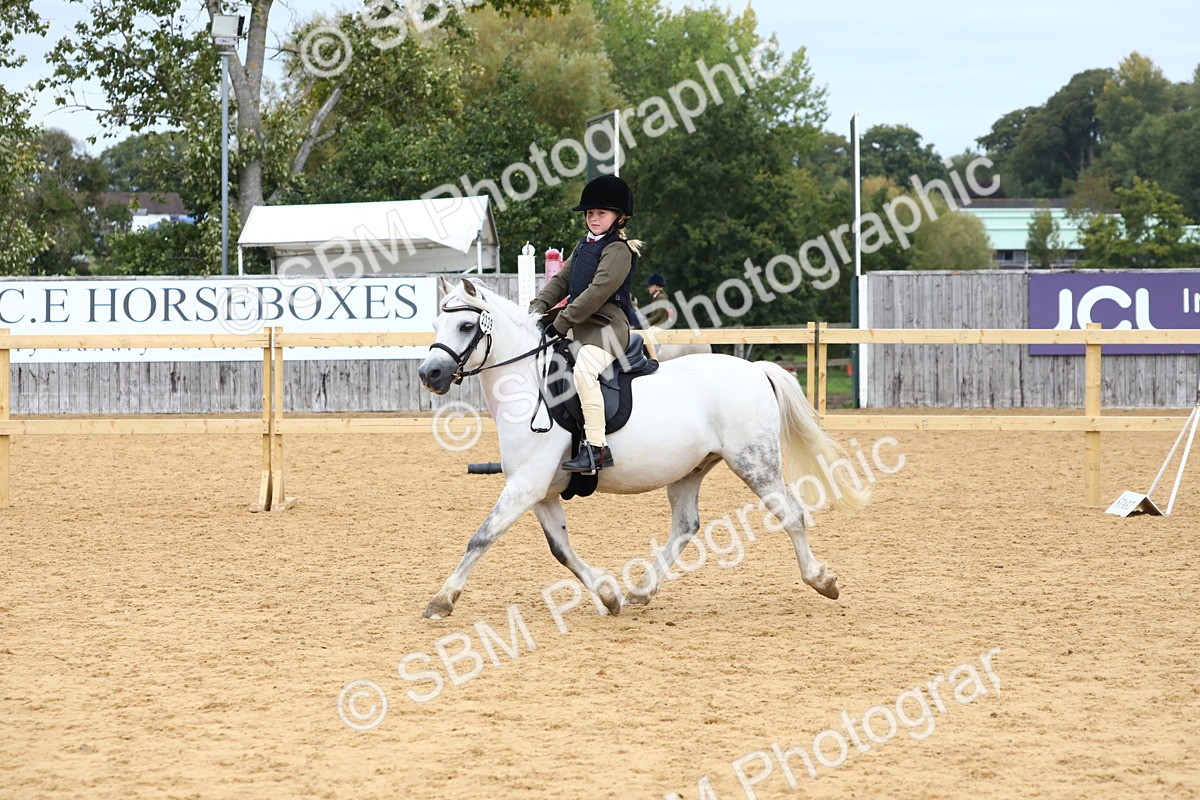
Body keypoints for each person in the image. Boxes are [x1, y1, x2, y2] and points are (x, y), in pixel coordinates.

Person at [529, 174, 641, 473]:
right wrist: (536, 308)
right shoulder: (582, 246)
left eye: (601, 213)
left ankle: (596, 448)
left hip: (608, 330)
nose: (593, 218)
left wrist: (561, 321)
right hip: (581, 328)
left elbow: (596, 293)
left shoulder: (619, 250)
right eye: (590, 213)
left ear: (619, 217)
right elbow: (561, 281)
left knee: (584, 372)